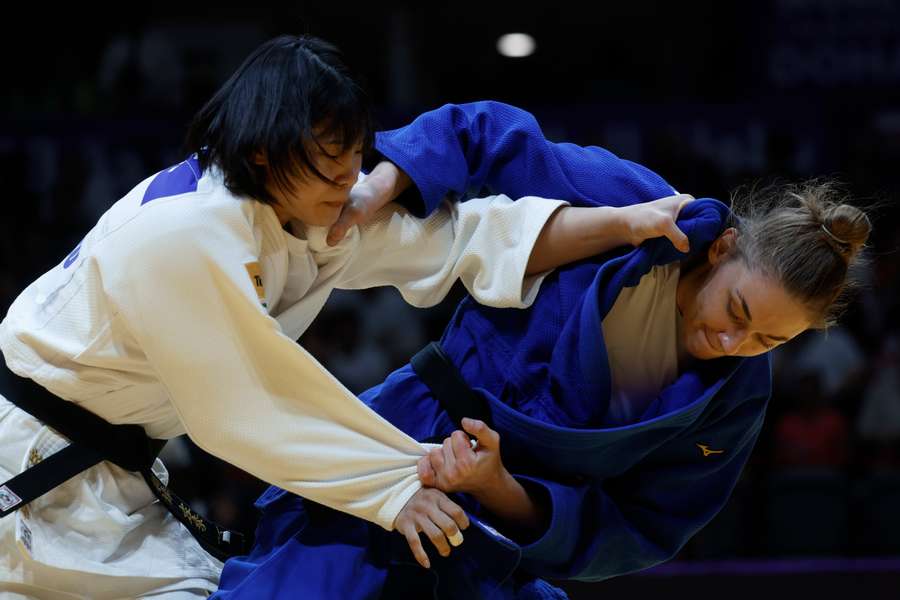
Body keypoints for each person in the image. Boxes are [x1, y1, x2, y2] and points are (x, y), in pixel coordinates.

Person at [0, 38, 685, 599]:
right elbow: (245, 404)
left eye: (355, 165)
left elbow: (463, 238)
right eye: (333, 173)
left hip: (108, 472)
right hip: (30, 468)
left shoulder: (300, 206)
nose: (351, 188)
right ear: (267, 154)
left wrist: (624, 224)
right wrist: (392, 488)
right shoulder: (183, 234)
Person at [211, 101, 872, 599]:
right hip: (406, 439)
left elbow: (639, 527)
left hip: (500, 529)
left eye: (769, 339)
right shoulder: (643, 211)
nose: (734, 342)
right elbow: (486, 132)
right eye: (736, 311)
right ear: (724, 249)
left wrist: (500, 487)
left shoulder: (737, 397)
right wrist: (380, 187)